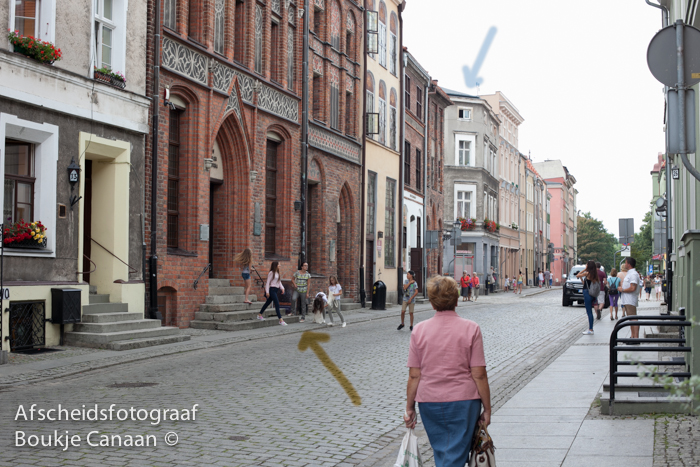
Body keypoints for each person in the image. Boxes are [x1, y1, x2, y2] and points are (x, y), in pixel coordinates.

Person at [403, 275, 491, 467]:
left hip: (429, 402)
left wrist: (410, 407)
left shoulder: (419, 330)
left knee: (443, 451)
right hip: (464, 402)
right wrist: (487, 408)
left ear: (432, 303)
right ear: (457, 300)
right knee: (454, 455)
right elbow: (479, 374)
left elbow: (414, 375)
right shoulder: (471, 329)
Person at [618, 257, 641, 342]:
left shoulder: (633, 274)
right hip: (627, 299)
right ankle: (632, 336)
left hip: (630, 299)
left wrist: (622, 290)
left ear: (629, 264)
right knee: (631, 319)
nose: (625, 264)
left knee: (633, 318)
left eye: (626, 262)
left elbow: (632, 288)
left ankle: (636, 338)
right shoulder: (630, 273)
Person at [258, 261, 286, 326]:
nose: (280, 265)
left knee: (267, 303)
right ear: (276, 265)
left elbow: (279, 282)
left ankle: (259, 314)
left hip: (276, 290)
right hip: (272, 290)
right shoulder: (271, 273)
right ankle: (280, 320)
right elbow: (268, 282)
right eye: (279, 264)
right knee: (277, 304)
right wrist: (267, 292)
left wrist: (282, 288)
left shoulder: (277, 273)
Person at [577, 260, 600, 335]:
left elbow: (578, 275)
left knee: (589, 312)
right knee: (590, 311)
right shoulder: (594, 274)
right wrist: (582, 279)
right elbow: (585, 283)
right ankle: (590, 328)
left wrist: (584, 269)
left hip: (587, 293)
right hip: (591, 294)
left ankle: (590, 329)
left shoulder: (587, 273)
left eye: (587, 265)